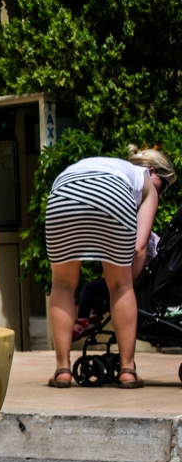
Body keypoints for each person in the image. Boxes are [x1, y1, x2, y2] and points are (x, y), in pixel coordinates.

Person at [46, 146, 176, 388]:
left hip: (63, 190)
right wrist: (131, 286)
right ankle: (127, 370)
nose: (163, 192)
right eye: (165, 185)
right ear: (152, 171)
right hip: (113, 192)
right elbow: (139, 249)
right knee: (121, 285)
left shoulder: (108, 165)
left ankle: (63, 369)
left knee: (62, 285)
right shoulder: (145, 184)